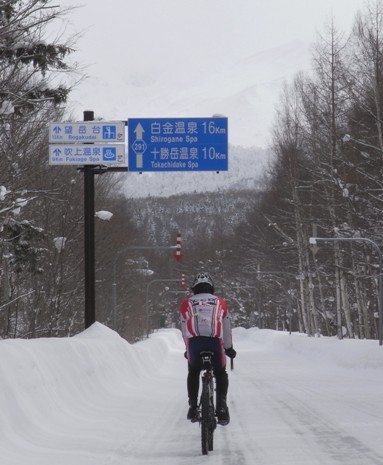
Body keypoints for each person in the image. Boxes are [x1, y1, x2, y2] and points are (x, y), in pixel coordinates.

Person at [180, 271, 236, 426]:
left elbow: (184, 329)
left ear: (194, 288)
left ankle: (192, 406)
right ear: (211, 287)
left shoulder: (186, 303)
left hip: (195, 343)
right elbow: (226, 328)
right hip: (214, 343)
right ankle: (222, 407)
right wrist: (229, 348)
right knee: (220, 373)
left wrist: (187, 348)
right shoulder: (220, 302)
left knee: (193, 371)